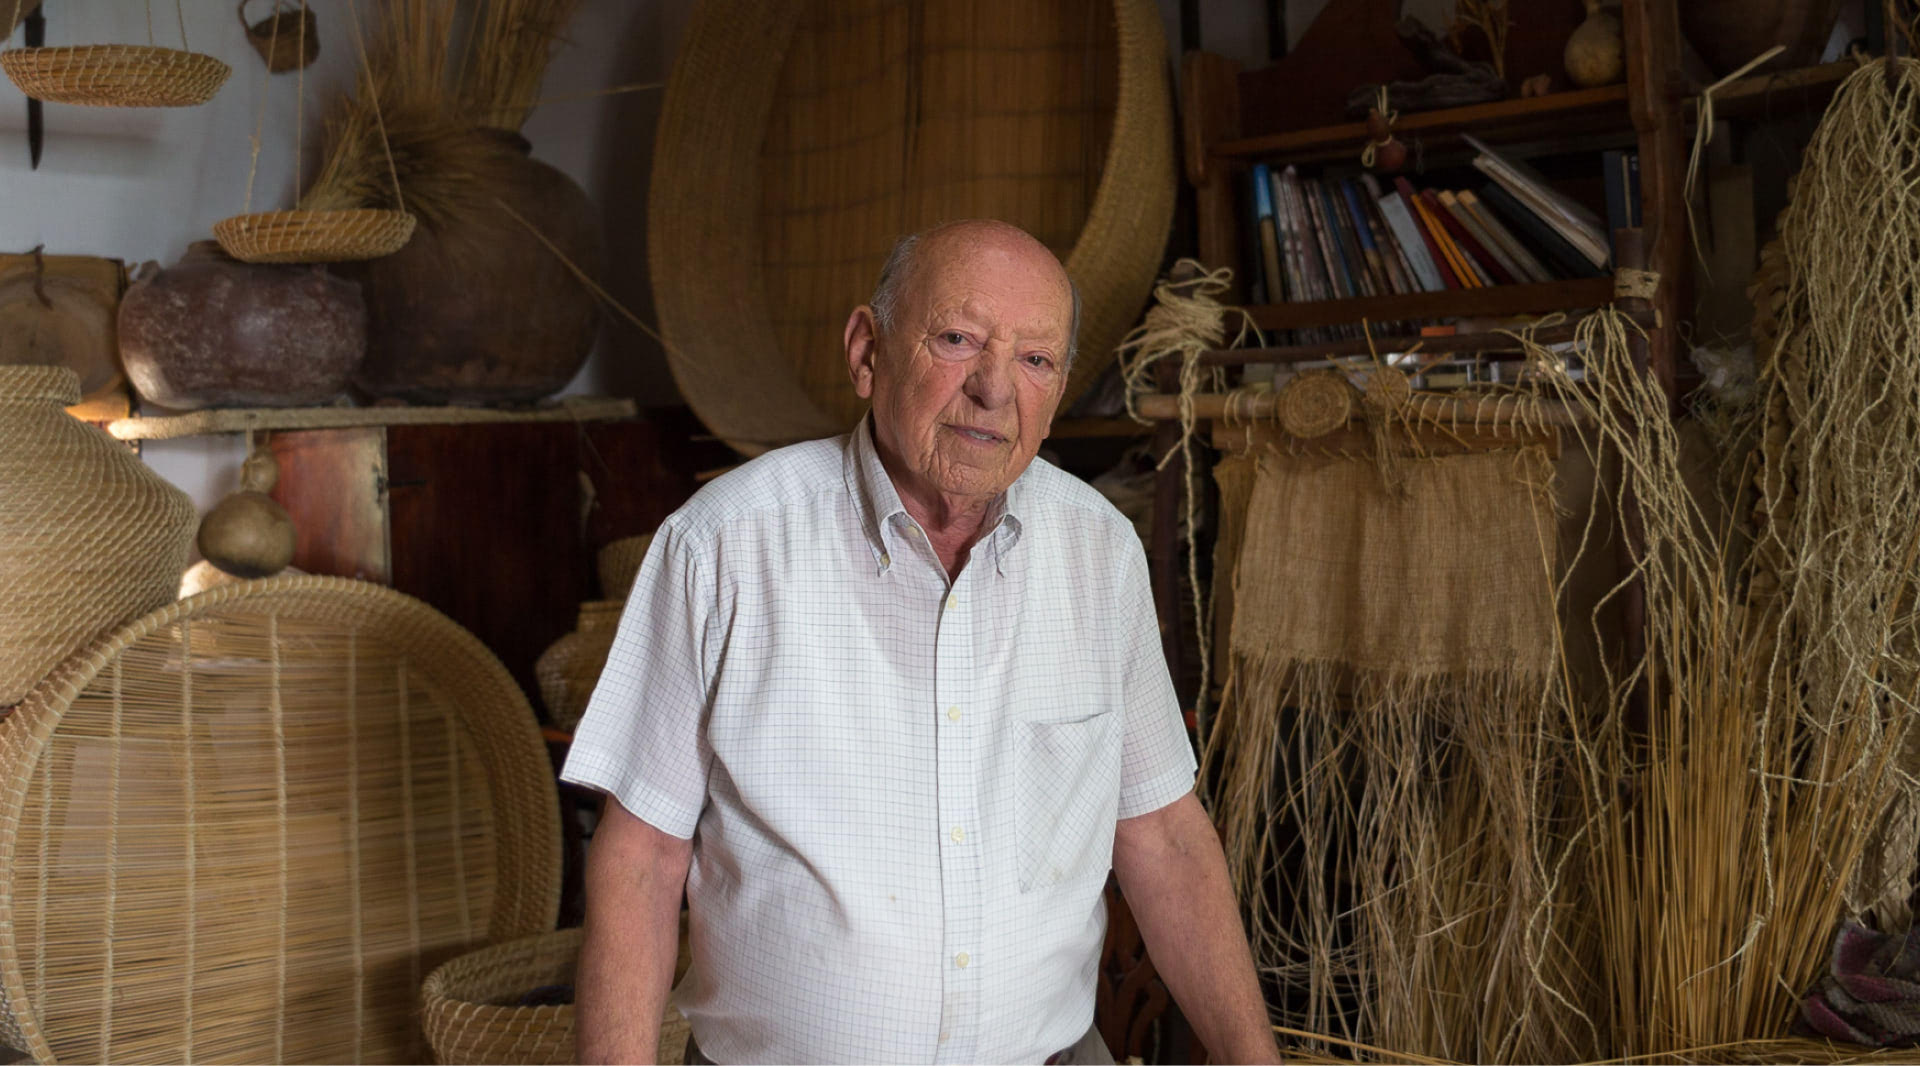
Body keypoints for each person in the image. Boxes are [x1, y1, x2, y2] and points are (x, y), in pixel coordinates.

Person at [563, 219, 1280, 1065]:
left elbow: (1161, 832)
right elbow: (642, 855)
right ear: (868, 351)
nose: (994, 388)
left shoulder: (1099, 551)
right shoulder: (725, 545)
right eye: (957, 338)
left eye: (1035, 359)